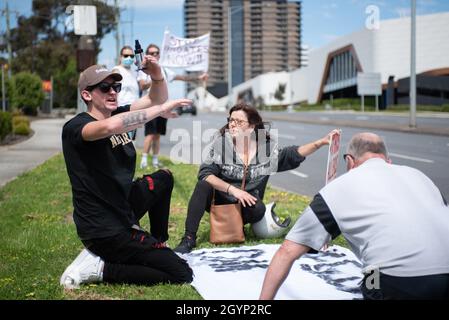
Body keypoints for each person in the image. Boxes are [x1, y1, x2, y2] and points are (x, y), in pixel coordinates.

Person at [259, 132, 449, 300]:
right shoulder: (419, 176)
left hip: (395, 280)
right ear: (387, 161)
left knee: (371, 277)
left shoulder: (339, 187)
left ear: (349, 161)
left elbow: (287, 252)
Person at [60, 59, 193, 289]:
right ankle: (102, 269)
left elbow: (155, 98)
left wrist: (158, 75)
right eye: (104, 88)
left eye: (116, 87)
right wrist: (159, 111)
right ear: (87, 95)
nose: (113, 91)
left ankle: (156, 242)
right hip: (103, 228)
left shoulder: (117, 113)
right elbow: (111, 127)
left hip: (121, 206)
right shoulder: (77, 127)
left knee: (164, 178)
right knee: (181, 272)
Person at [173, 103, 338, 254]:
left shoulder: (265, 152)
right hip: (221, 199)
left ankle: (237, 227)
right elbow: (205, 174)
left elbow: (292, 154)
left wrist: (320, 143)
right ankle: (188, 238)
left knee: (259, 208)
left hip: (249, 206)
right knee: (203, 185)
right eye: (231, 120)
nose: (233, 124)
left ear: (251, 127)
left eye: (239, 121)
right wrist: (234, 191)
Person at [138, 43, 209, 168]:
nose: (154, 55)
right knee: (150, 134)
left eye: (156, 53)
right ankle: (144, 161)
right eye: (151, 53)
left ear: (159, 55)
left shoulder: (164, 70)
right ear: (147, 55)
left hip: (163, 107)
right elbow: (142, 85)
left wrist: (199, 77)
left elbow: (182, 77)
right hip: (150, 107)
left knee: (158, 135)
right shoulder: (143, 70)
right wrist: (155, 77)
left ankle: (155, 160)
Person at [112, 45, 140, 140]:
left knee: (131, 140)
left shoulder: (134, 71)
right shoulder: (117, 70)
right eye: (126, 55)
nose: (129, 58)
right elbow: (113, 89)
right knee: (121, 141)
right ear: (120, 57)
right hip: (121, 109)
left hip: (134, 109)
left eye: (132, 56)